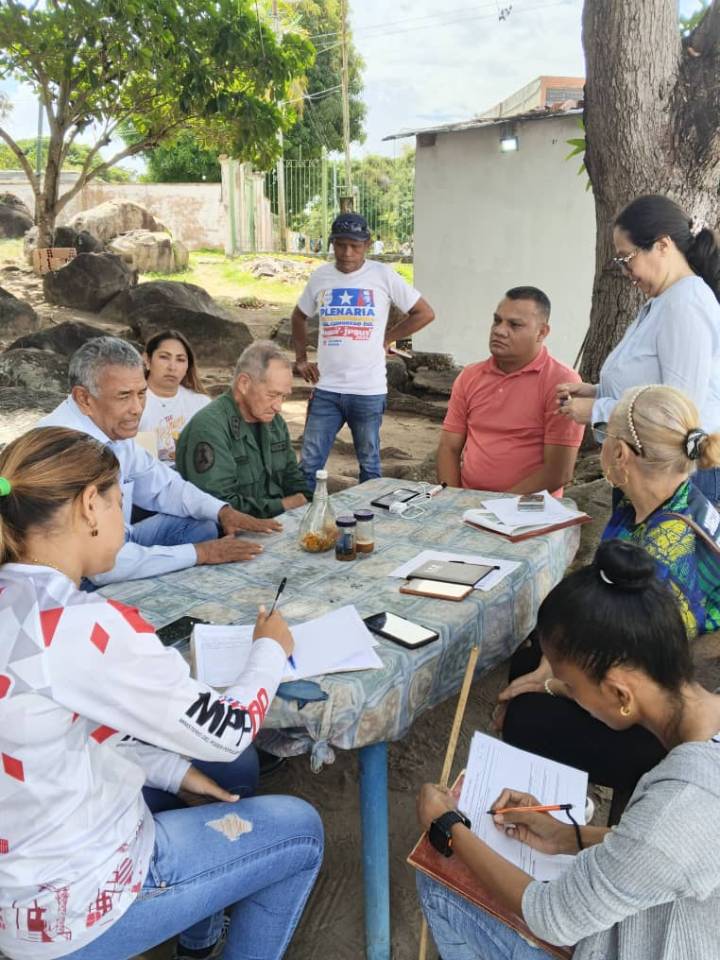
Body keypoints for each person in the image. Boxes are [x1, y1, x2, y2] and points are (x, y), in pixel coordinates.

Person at [0, 426, 323, 960]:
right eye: (119, 500)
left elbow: (53, 731)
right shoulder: (82, 626)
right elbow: (230, 732)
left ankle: (197, 942)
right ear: (89, 505)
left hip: (20, 882)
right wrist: (270, 649)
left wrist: (175, 772)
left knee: (202, 782)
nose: (123, 516)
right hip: (73, 906)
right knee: (300, 830)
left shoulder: (18, 597)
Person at [417, 538, 720, 960]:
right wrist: (564, 837)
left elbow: (550, 915)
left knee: (440, 879)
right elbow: (665, 851)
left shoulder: (683, 803)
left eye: (571, 688)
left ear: (620, 694)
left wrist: (448, 825)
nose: (568, 697)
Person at [498, 384, 720, 808]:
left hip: (663, 716)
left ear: (620, 454)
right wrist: (548, 667)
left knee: (525, 715)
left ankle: (551, 820)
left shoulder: (668, 549)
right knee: (530, 656)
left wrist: (550, 683)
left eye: (602, 434)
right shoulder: (648, 498)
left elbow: (635, 680)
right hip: (648, 670)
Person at [37, 337, 281, 586]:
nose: (137, 408)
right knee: (198, 548)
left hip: (120, 540)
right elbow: (103, 566)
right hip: (81, 573)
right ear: (84, 399)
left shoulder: (110, 428)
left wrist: (223, 512)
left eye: (142, 394)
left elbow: (165, 486)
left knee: (204, 523)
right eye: (123, 396)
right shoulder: (64, 450)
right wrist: (200, 554)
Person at [557, 194, 720, 500]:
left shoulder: (685, 305)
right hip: (648, 468)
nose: (624, 272)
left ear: (662, 245)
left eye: (626, 258)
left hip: (678, 476)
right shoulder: (664, 301)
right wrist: (597, 390)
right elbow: (652, 384)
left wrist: (598, 410)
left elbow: (678, 411)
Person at [290, 211, 435, 491]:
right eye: (340, 245)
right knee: (309, 463)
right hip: (327, 389)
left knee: (369, 464)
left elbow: (424, 313)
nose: (347, 253)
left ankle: (370, 525)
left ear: (367, 245)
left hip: (368, 391)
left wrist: (388, 338)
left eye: (355, 246)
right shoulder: (320, 277)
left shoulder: (383, 275)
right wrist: (300, 359)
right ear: (332, 243)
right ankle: (304, 520)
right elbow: (299, 316)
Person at [437, 287, 584, 496]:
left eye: (514, 325)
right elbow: (448, 448)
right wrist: (452, 500)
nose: (499, 330)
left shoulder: (561, 383)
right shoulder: (470, 376)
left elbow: (559, 472)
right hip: (469, 505)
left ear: (542, 332)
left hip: (530, 510)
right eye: (497, 321)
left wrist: (496, 508)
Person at [176, 342, 310, 519]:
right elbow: (217, 506)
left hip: (276, 525)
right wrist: (283, 505)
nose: (279, 406)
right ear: (244, 384)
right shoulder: (209, 428)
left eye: (284, 396)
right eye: (272, 395)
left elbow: (293, 479)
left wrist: (308, 501)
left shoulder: (274, 422)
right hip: (228, 535)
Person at [138, 329, 211, 463]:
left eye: (180, 359)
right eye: (164, 357)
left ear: (188, 366)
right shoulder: (133, 403)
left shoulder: (201, 404)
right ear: (147, 360)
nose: (172, 367)